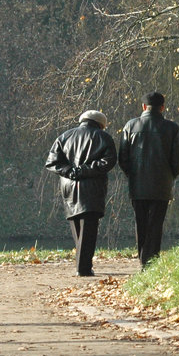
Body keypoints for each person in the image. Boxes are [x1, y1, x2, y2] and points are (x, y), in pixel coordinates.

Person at [45, 110, 117, 277]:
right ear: (100, 124)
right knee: (89, 230)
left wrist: (70, 171)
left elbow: (52, 162)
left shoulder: (64, 137)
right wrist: (85, 170)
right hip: (93, 188)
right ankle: (83, 268)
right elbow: (109, 161)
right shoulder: (104, 137)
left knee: (77, 228)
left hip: (69, 187)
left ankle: (82, 265)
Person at [118, 92, 179, 268]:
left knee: (141, 222)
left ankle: (143, 259)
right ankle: (151, 261)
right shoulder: (172, 128)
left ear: (143, 107)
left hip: (138, 184)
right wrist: (170, 176)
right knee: (156, 224)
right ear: (162, 107)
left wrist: (132, 174)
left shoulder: (130, 126)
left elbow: (123, 158)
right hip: (162, 185)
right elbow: (178, 160)